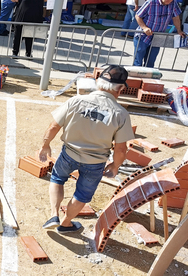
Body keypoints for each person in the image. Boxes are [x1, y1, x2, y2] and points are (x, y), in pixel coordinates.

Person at [38, 65, 134, 233]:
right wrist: (115, 165)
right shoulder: (121, 114)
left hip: (69, 154)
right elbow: (120, 149)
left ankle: (54, 214)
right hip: (96, 162)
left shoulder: (76, 101)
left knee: (57, 179)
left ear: (98, 83)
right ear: (120, 89)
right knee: (82, 195)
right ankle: (66, 223)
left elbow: (54, 126)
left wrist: (45, 145)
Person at [133, 0, 185, 68]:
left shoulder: (173, 3)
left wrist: (179, 30)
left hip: (158, 37)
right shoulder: (150, 2)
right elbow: (137, 16)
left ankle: (148, 77)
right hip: (143, 36)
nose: (169, 1)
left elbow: (175, 17)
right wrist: (144, 28)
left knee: (150, 63)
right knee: (137, 63)